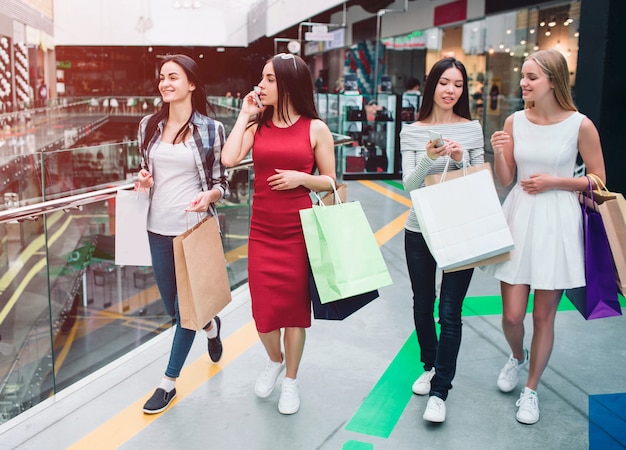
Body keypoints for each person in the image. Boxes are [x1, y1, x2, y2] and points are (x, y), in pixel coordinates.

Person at [483, 49, 606, 425]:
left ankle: (531, 389)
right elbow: (507, 180)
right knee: (512, 314)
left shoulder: (580, 125)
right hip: (520, 215)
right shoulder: (515, 120)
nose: (523, 82)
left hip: (558, 219)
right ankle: (517, 357)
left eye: (532, 77)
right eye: (523, 75)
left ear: (553, 81)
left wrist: (558, 181)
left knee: (543, 316)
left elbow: (599, 181)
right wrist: (500, 152)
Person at [221, 53, 335, 415]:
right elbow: (227, 158)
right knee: (264, 312)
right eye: (263, 78)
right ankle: (274, 359)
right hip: (262, 232)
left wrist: (302, 178)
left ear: (287, 83)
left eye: (269, 79)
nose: (261, 84)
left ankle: (291, 380)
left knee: (295, 313)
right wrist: (244, 114)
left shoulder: (316, 128)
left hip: (298, 233)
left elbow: (332, 183)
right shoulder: (259, 125)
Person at [136, 54, 229, 414]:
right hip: (155, 229)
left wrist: (211, 195)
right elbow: (144, 171)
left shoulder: (211, 129)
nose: (165, 83)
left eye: (173, 77)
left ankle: (168, 382)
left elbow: (221, 181)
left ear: (191, 83)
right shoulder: (147, 125)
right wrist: (143, 180)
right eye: (162, 77)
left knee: (183, 312)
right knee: (176, 308)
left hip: (191, 230)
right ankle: (211, 326)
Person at [399, 57, 484, 423]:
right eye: (445, 82)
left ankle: (440, 390)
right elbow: (409, 186)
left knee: (450, 311)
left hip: (462, 228)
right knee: (423, 303)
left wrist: (462, 159)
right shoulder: (412, 131)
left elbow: (481, 182)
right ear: (432, 85)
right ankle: (430, 365)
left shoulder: (473, 129)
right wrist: (428, 159)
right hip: (420, 228)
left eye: (459, 85)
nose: (451, 90)